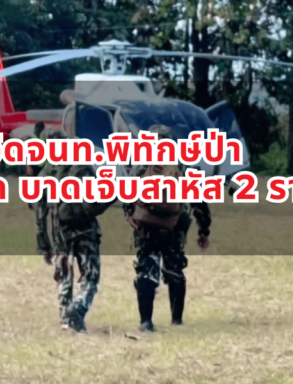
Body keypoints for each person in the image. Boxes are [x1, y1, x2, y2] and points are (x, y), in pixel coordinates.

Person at [122, 124, 211, 333]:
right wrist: (203, 229)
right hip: (174, 227)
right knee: (175, 270)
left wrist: (129, 214)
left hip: (146, 226)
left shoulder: (142, 164)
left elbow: (127, 190)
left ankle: (146, 322)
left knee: (146, 268)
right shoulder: (182, 165)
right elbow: (199, 200)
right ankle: (176, 320)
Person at [34, 130, 115, 333]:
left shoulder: (45, 174)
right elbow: (94, 198)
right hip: (85, 230)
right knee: (90, 276)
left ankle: (65, 319)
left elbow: (39, 211)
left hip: (60, 232)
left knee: (64, 275)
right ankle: (77, 311)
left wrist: (43, 243)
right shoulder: (80, 166)